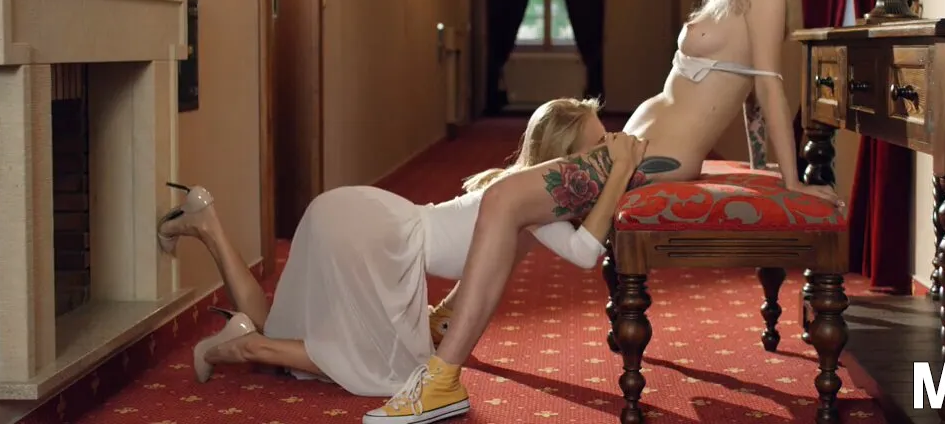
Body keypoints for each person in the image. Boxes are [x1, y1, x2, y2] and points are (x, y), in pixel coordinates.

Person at [364, 0, 843, 424]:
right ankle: (449, 319)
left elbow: (768, 89)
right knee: (519, 197)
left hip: (654, 158)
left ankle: (442, 379)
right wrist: (761, 165)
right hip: (633, 146)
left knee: (506, 198)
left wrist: (789, 180)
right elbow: (745, 92)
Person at [154, 97, 649, 401]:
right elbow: (585, 254)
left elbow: (475, 280)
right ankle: (238, 347)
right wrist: (621, 171)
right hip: (380, 244)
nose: (608, 149)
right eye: (598, 146)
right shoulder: (532, 203)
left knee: (280, 323)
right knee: (393, 372)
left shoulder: (519, 189)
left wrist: (438, 321)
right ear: (565, 159)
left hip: (362, 218)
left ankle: (207, 222)